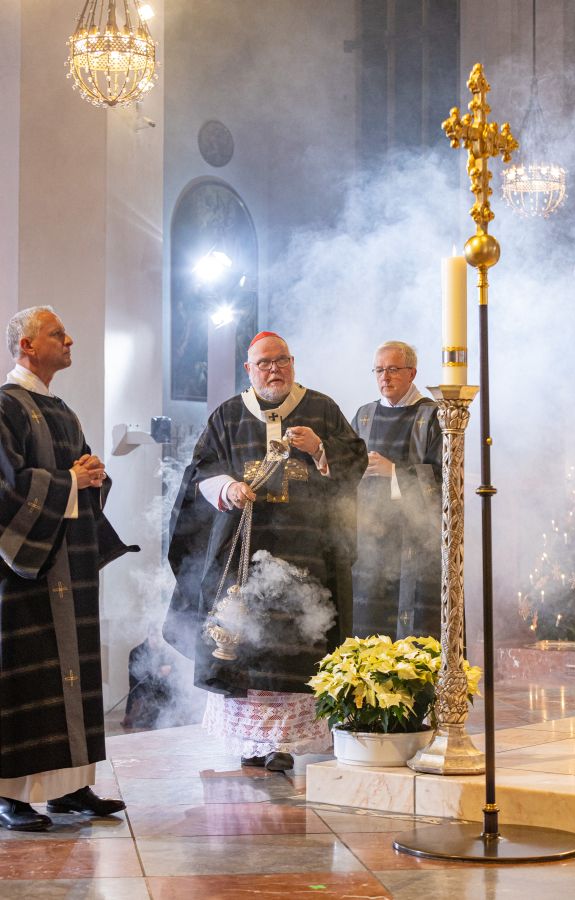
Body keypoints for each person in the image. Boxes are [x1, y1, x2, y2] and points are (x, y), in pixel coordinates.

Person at [165, 331, 367, 771]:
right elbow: (203, 467)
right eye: (264, 364)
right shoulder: (229, 414)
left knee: (296, 643)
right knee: (245, 643)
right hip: (244, 549)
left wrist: (319, 448)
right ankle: (250, 740)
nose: (273, 370)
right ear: (248, 369)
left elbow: (355, 460)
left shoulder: (322, 408)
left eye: (282, 361)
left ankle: (285, 743)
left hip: (307, 551)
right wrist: (228, 487)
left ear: (293, 363)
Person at [0, 306, 138, 831]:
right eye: (59, 334)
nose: (70, 339)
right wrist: (68, 482)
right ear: (28, 345)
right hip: (23, 573)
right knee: (25, 681)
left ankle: (70, 787)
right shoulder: (5, 405)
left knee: (73, 677)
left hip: (67, 566)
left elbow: (79, 474)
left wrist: (95, 477)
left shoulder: (60, 408)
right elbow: (7, 488)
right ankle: (11, 795)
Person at [352, 341, 442, 640]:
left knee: (411, 630)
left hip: (414, 541)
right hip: (370, 538)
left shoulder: (433, 416)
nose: (384, 378)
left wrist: (394, 473)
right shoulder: (364, 416)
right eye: (379, 370)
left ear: (412, 373)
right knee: (369, 622)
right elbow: (345, 470)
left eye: (392, 369)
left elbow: (445, 480)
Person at [122, 624, 179, 729]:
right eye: (153, 635)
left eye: (159, 636)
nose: (156, 639)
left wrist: (170, 671)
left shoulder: (166, 652)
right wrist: (158, 672)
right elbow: (136, 682)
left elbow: (176, 675)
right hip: (143, 696)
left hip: (163, 695)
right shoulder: (136, 652)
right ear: (148, 635)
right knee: (145, 723)